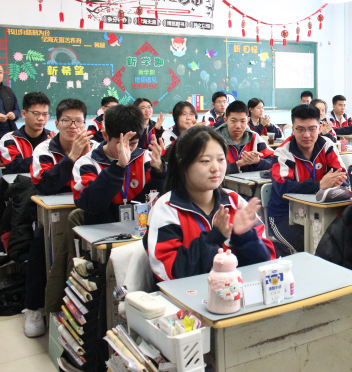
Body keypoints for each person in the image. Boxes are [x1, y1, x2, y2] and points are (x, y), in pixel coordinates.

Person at [146, 126, 275, 281]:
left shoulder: (235, 202)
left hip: (235, 292)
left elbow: (265, 263)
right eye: (205, 161)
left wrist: (245, 237)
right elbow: (170, 273)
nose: (216, 168)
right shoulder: (167, 208)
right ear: (183, 166)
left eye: (221, 159)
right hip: (187, 295)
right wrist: (214, 237)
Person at [23, 99, 95, 338]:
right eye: (67, 121)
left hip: (83, 209)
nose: (73, 126)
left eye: (78, 121)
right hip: (49, 211)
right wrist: (72, 156)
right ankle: (33, 306)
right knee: (40, 244)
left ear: (85, 123)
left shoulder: (95, 147)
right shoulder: (44, 150)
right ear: (57, 123)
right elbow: (45, 185)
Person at [268, 104, 348, 255]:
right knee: (312, 246)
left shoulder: (327, 145)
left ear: (319, 128)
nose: (307, 135)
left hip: (321, 212)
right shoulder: (283, 152)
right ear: (293, 129)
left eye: (312, 129)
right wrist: (319, 185)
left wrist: (338, 180)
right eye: (300, 129)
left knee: (342, 243)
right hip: (284, 215)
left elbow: (342, 175)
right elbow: (282, 187)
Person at [72, 104, 166, 225]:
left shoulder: (146, 159)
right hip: (101, 230)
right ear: (105, 136)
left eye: (133, 143)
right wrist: (118, 167)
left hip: (139, 229)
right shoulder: (86, 163)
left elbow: (160, 199)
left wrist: (159, 172)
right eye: (120, 144)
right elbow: (91, 205)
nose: (126, 149)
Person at [215, 101, 274, 174]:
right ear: (226, 120)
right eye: (233, 121)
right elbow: (210, 168)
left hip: (250, 181)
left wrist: (258, 161)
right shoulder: (214, 140)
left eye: (242, 121)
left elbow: (276, 162)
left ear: (248, 120)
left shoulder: (254, 137)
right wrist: (238, 164)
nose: (238, 126)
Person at [0, 92, 51, 174]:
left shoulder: (54, 138)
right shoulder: (9, 139)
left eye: (45, 114)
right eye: (36, 114)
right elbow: (14, 166)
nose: (41, 118)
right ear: (24, 113)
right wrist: (49, 155)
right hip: (17, 182)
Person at [0, 65, 21, 136]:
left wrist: (14, 114)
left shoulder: (8, 91)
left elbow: (17, 110)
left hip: (9, 133)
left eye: (0, 72)